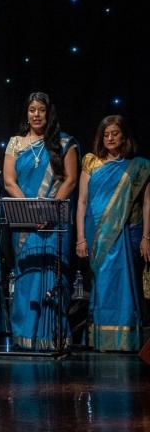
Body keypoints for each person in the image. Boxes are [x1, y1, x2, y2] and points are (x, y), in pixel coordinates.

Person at [2, 92, 79, 350]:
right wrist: (32, 211)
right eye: (32, 109)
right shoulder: (15, 143)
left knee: (54, 275)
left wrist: (48, 211)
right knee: (28, 273)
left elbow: (70, 180)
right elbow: (9, 182)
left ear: (49, 113)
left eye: (41, 110)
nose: (36, 114)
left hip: (55, 221)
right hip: (26, 221)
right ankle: (25, 336)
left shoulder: (65, 143)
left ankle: (53, 335)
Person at [75, 115, 150, 352]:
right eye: (105, 134)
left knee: (126, 284)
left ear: (124, 135)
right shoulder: (91, 162)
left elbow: (147, 203)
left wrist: (147, 237)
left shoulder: (139, 166)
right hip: (96, 234)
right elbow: (82, 202)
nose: (109, 138)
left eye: (115, 133)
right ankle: (101, 340)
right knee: (103, 283)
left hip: (127, 234)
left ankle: (127, 339)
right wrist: (80, 238)